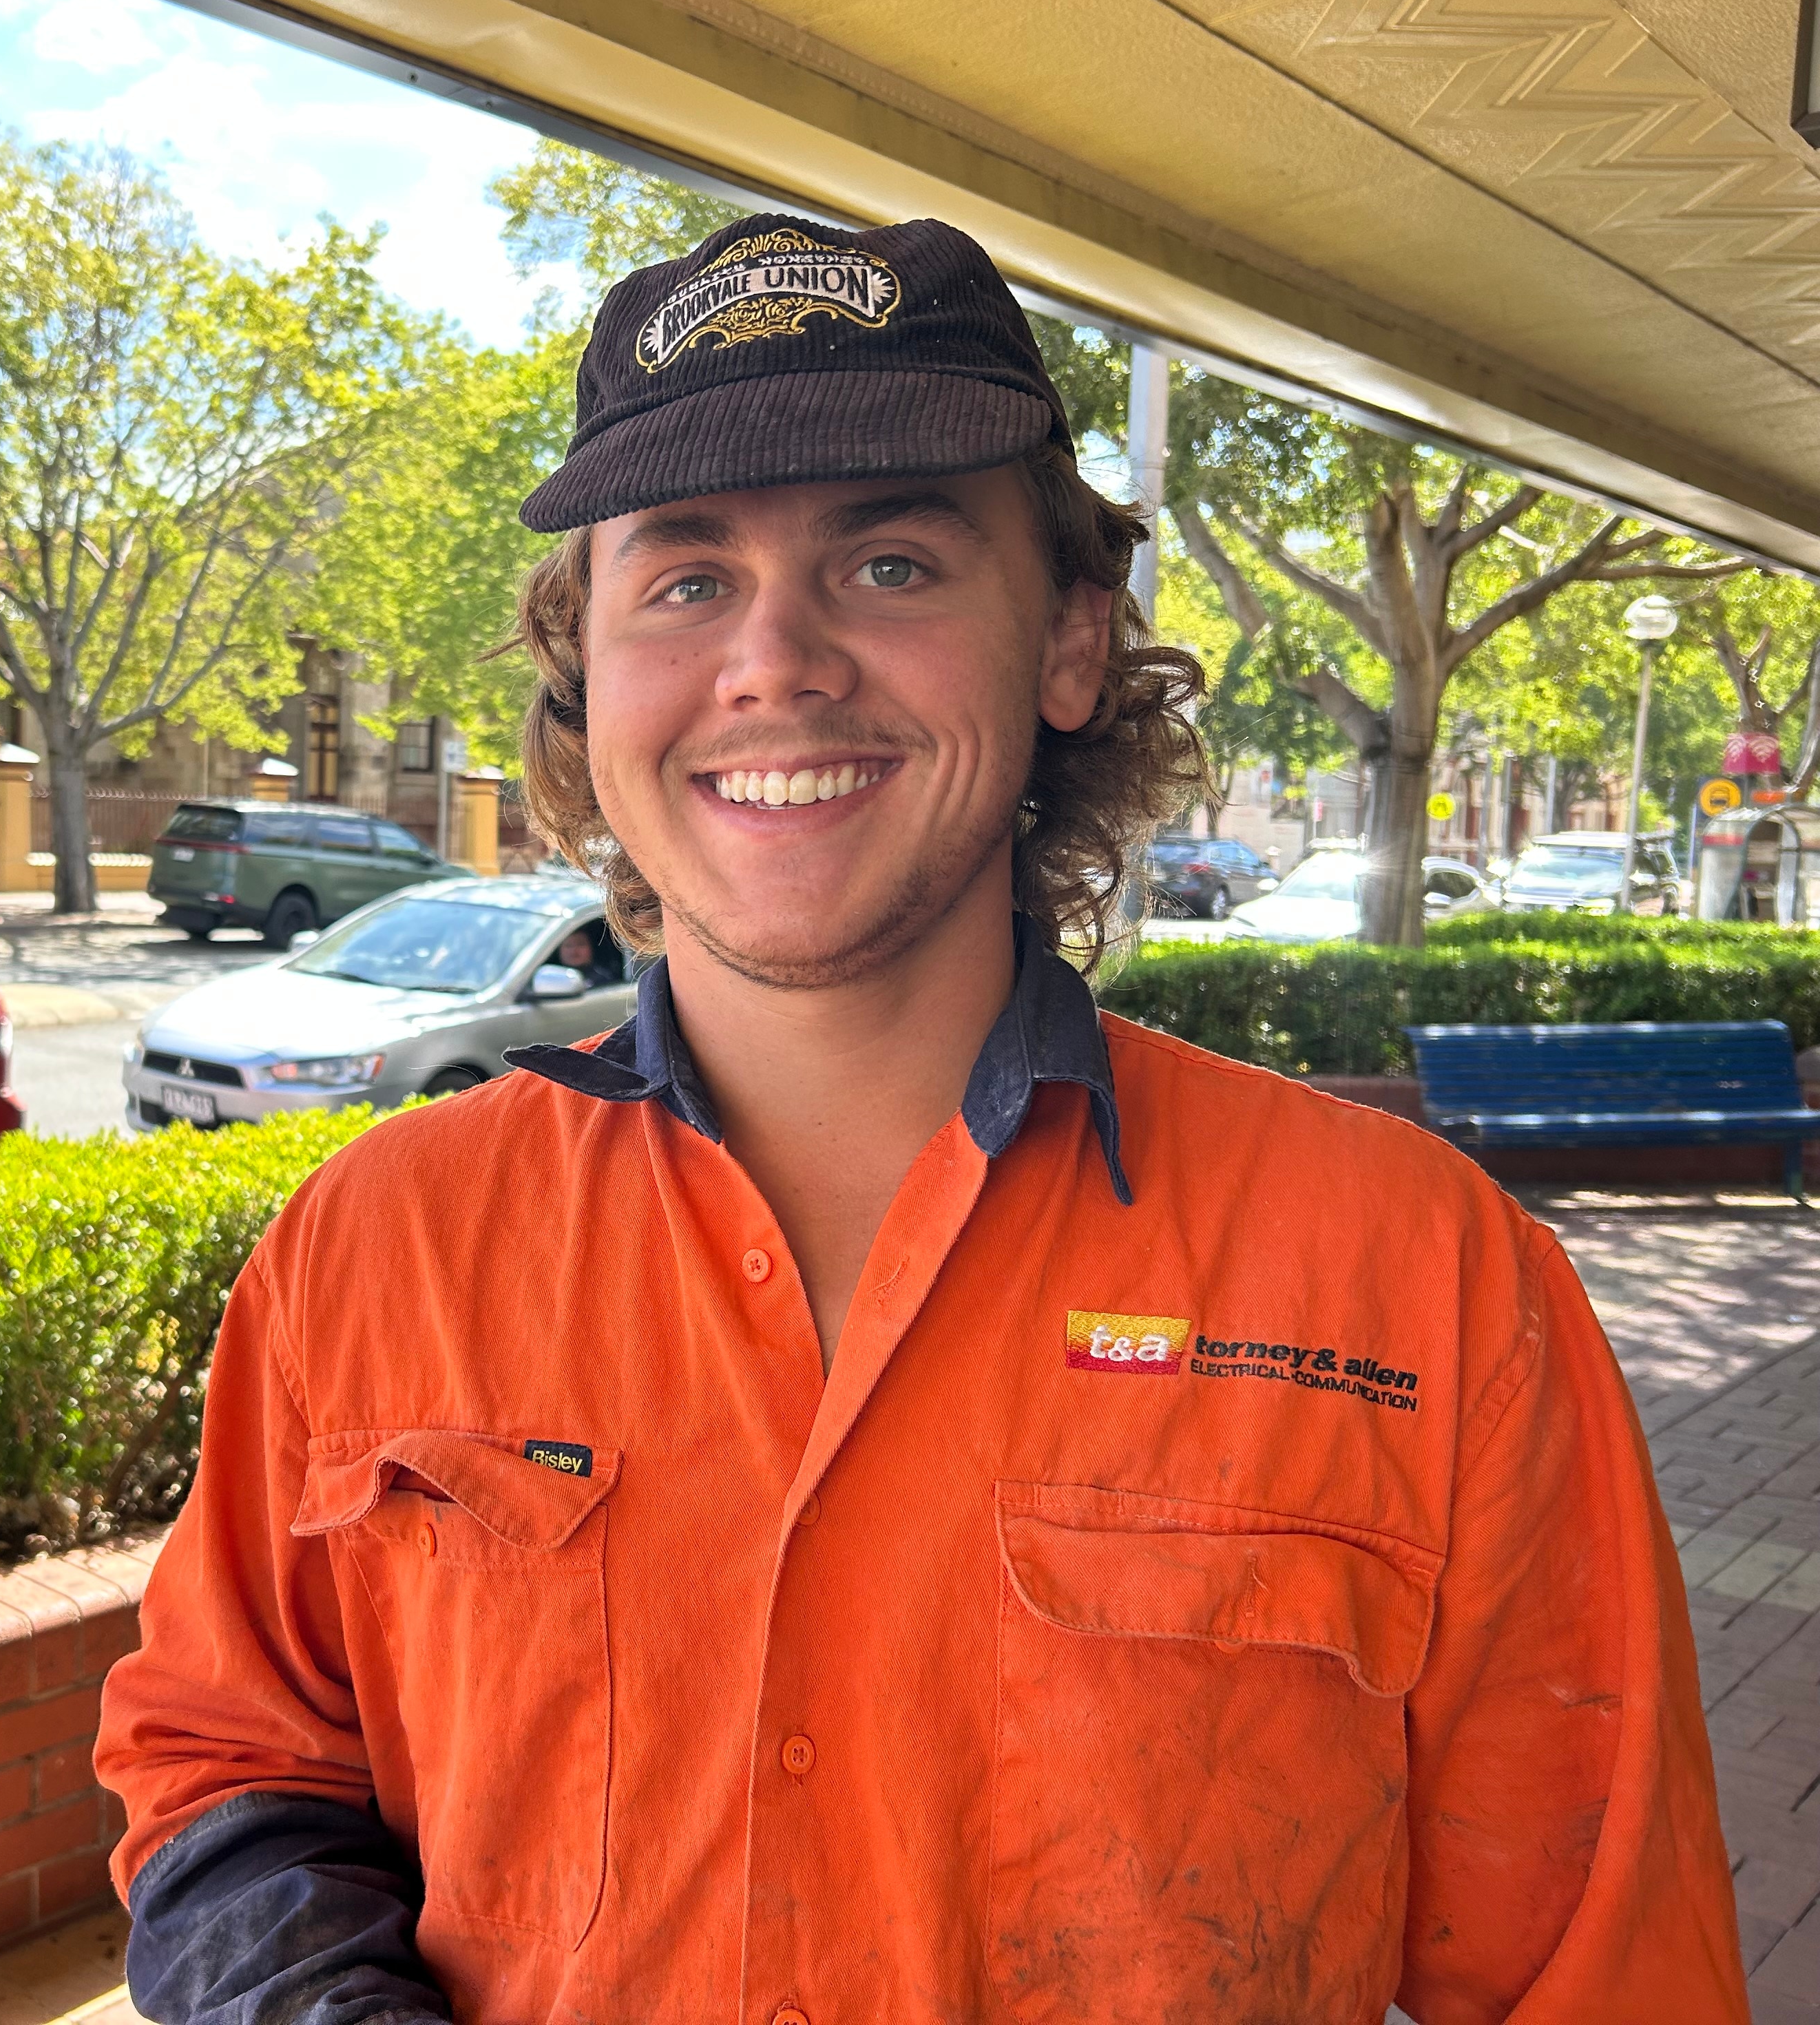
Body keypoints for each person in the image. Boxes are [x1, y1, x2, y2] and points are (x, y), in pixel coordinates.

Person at [96, 214, 1746, 2022]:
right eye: (686, 579)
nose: (776, 661)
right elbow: (234, 1761)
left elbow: (1604, 1968)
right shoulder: (374, 1249)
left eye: (889, 562)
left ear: (1066, 647)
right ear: (591, 677)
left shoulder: (1424, 1285)